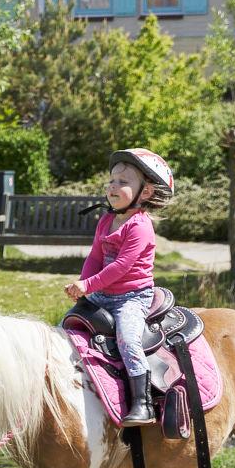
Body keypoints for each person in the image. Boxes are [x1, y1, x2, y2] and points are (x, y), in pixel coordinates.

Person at [65, 148, 172, 426]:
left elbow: (120, 267)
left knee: (127, 339)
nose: (113, 186)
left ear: (145, 192)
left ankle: (143, 403)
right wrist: (83, 287)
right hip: (102, 293)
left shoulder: (140, 227)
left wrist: (88, 283)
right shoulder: (107, 220)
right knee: (67, 325)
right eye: (112, 180)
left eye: (123, 182)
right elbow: (96, 256)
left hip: (131, 297)